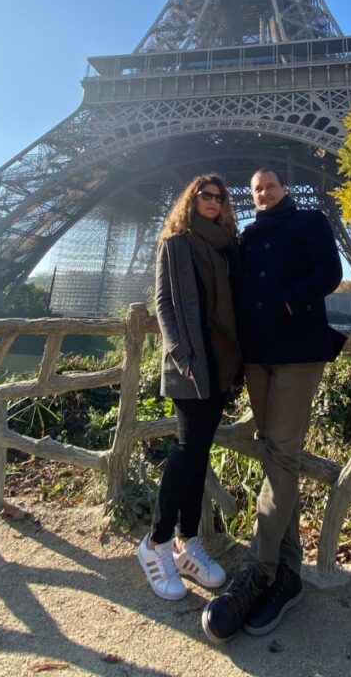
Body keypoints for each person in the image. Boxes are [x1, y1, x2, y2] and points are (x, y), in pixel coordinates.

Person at [202, 167, 343, 642]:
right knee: (274, 454)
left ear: (284, 190)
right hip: (260, 357)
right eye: (256, 188)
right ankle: (289, 572)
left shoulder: (310, 222)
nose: (262, 193)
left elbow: (330, 271)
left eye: (270, 186)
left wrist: (290, 302)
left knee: (280, 453)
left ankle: (258, 570)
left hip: (297, 352)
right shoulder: (244, 237)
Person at [137, 173, 242, 601]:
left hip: (221, 362)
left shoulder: (227, 247)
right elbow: (162, 302)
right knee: (186, 452)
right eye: (206, 195)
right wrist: (180, 354)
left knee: (199, 454)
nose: (213, 201)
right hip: (191, 364)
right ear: (192, 199)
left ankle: (187, 542)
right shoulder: (174, 243)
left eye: (219, 196)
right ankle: (156, 543)